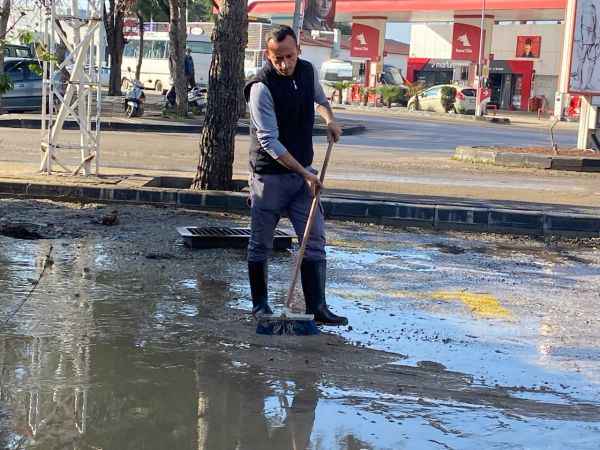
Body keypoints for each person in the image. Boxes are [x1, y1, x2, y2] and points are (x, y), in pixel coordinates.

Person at [244, 26, 347, 326]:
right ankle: (260, 305)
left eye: (289, 56)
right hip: (269, 178)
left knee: (314, 240)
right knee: (260, 243)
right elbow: (269, 142)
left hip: (303, 177)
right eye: (278, 58)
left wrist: (330, 121)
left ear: (298, 50)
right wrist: (305, 173)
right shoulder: (260, 87)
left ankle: (318, 307)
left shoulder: (307, 71)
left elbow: (320, 100)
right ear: (268, 55)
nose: (285, 64)